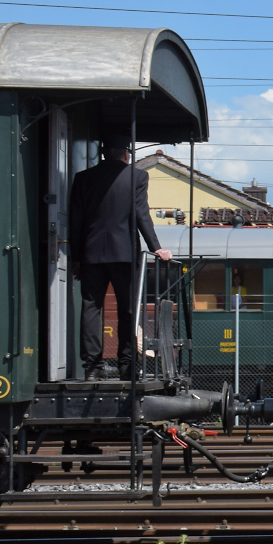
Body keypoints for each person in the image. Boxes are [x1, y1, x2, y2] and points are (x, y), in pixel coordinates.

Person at [69, 136, 172, 379]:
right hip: (124, 254)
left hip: (91, 253)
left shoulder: (83, 178)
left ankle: (92, 368)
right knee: (127, 310)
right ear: (126, 154)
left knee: (91, 309)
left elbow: (75, 220)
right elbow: (141, 213)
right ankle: (126, 365)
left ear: (104, 153)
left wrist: (76, 256)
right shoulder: (137, 177)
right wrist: (155, 247)